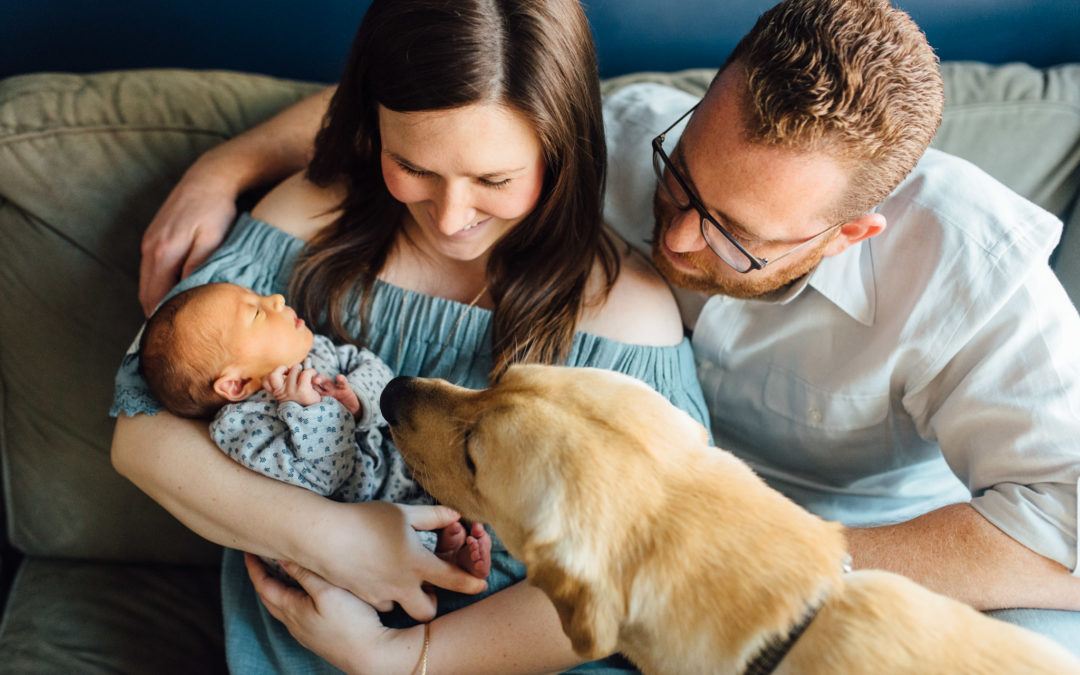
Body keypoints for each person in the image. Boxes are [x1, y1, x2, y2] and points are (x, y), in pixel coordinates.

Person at [132, 0, 1080, 662]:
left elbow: (1068, 528)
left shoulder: (972, 278)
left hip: (841, 550)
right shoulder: (633, 133)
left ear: (852, 232)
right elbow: (453, 110)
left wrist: (752, 549)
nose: (672, 236)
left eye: (733, 238)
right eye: (680, 185)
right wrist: (230, 163)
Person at [111, 0, 709, 673]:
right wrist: (336, 540)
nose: (452, 217)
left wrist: (409, 657)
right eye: (416, 167)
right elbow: (140, 434)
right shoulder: (307, 221)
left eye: (494, 179)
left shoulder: (624, 315)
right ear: (373, 129)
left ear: (560, 149)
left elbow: (639, 571)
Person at [138, 282, 492, 579]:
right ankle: (442, 563)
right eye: (257, 313)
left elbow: (372, 367)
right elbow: (325, 478)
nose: (275, 299)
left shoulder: (316, 350)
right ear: (236, 384)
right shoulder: (241, 429)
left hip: (393, 470)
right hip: (353, 516)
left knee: (450, 484)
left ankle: (446, 543)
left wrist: (359, 399)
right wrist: (311, 411)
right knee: (387, 546)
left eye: (260, 297)